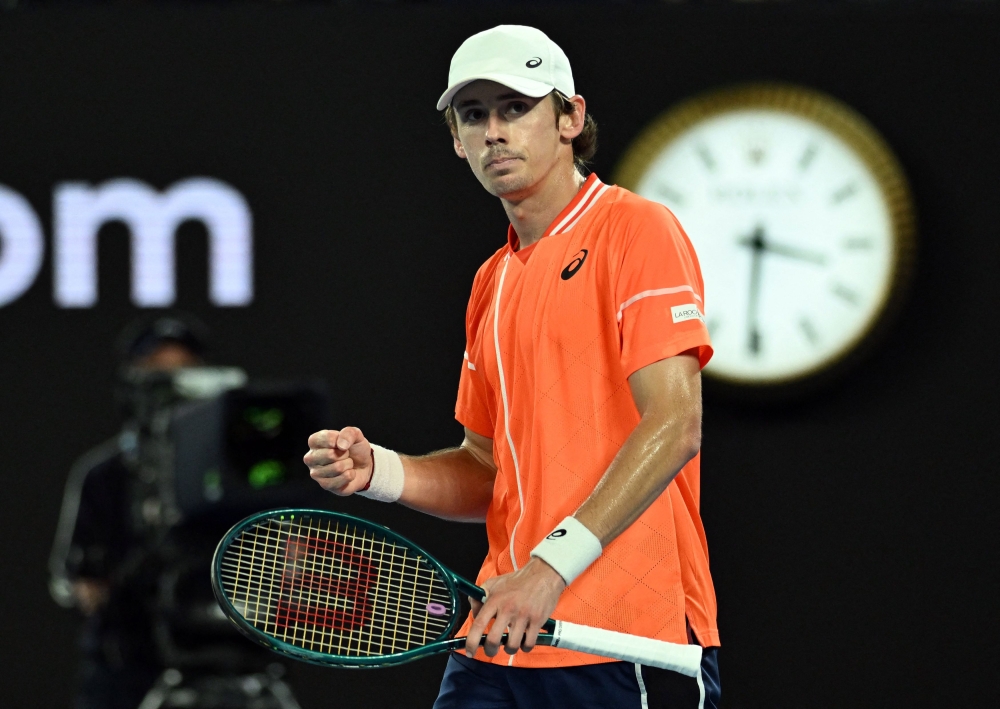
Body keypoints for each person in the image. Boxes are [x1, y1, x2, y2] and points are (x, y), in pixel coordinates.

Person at [304, 25, 721, 709]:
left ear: (570, 118)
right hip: (501, 637)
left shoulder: (636, 229)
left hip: (627, 641)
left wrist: (547, 571)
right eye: (474, 115)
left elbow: (675, 424)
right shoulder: (491, 281)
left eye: (516, 108)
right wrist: (378, 469)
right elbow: (488, 471)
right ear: (456, 140)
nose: (495, 131)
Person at [49, 315, 207, 709]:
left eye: (185, 370)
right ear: (132, 380)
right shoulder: (103, 475)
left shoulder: (225, 477)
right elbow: (71, 578)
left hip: (212, 653)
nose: (171, 385)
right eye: (155, 371)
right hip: (127, 666)